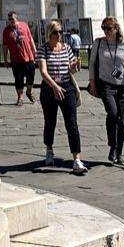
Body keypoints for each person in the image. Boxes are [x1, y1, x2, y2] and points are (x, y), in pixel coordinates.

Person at [89, 17, 124, 167]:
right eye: (103, 28)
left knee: (123, 122)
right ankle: (112, 144)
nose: (105, 31)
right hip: (106, 85)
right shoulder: (99, 43)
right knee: (112, 113)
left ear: (116, 28)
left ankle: (118, 154)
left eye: (108, 28)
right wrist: (92, 83)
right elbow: (92, 64)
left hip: (123, 86)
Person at [37, 20, 87, 175]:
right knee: (50, 121)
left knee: (72, 123)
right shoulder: (43, 49)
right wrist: (54, 86)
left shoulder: (66, 48)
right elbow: (43, 72)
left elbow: (72, 69)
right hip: (49, 89)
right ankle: (49, 150)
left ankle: (76, 159)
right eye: (55, 32)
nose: (58, 35)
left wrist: (75, 66)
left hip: (67, 88)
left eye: (60, 32)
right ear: (49, 34)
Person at [2, 11, 37, 105]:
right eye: (9, 19)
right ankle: (20, 97)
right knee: (18, 80)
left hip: (28, 57)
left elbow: (30, 39)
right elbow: (5, 46)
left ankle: (29, 92)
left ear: (16, 17)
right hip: (16, 60)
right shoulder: (6, 30)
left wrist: (35, 51)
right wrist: (5, 60)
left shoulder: (24, 25)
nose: (11, 21)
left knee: (31, 78)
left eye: (12, 18)